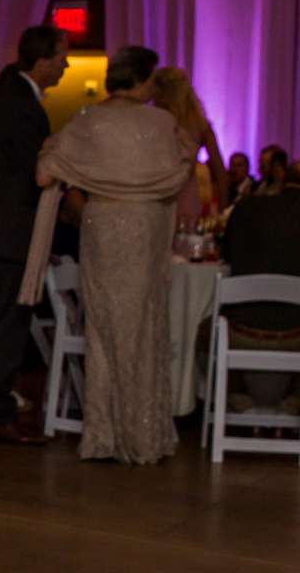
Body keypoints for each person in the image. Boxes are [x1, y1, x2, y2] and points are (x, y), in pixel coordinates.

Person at [36, 44, 194, 464]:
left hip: (101, 226)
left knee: (102, 329)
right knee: (141, 327)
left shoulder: (89, 121)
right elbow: (182, 169)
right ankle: (141, 436)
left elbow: (45, 173)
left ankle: (102, 434)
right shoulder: (160, 123)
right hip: (143, 230)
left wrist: (60, 150)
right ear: (143, 80)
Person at [0, 24, 69, 444]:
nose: (66, 65)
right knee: (8, 322)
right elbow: (37, 172)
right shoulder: (24, 105)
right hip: (10, 230)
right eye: (62, 57)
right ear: (42, 62)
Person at [221, 159, 300, 408]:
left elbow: (227, 254)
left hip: (240, 331)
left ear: (284, 181)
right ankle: (296, 400)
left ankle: (234, 395)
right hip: (299, 334)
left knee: (202, 335)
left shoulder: (246, 207)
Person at [149, 64, 228, 221]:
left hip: (156, 197)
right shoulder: (200, 125)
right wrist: (223, 215)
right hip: (186, 198)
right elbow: (221, 175)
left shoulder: (152, 122)